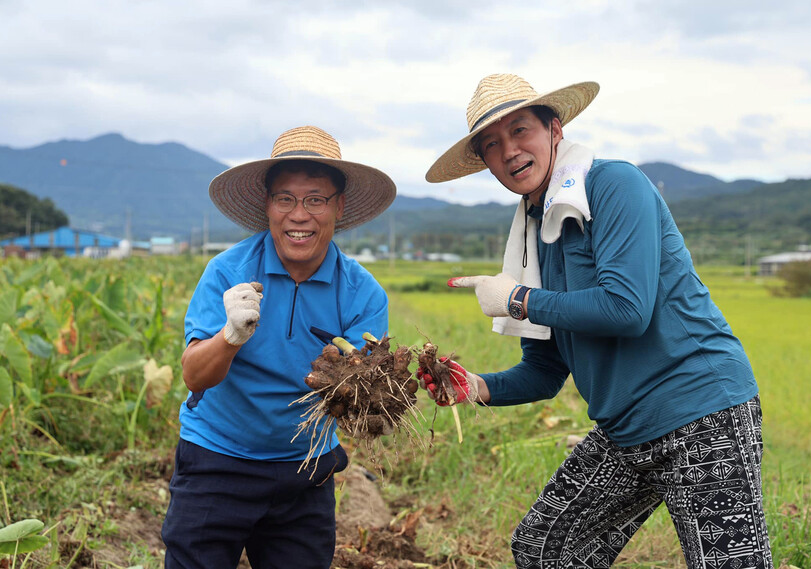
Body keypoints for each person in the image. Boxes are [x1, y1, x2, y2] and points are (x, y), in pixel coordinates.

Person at [419, 74, 773, 569]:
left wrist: (519, 298)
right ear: (486, 163)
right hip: (626, 428)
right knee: (545, 547)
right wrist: (475, 386)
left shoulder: (612, 184)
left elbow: (626, 309)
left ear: (554, 129)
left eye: (521, 131)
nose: (511, 151)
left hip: (700, 411)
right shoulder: (533, 235)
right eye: (493, 145)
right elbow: (544, 371)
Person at [162, 126, 397, 569]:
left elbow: (365, 393)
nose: (299, 214)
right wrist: (230, 337)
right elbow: (194, 376)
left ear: (338, 207)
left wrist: (378, 390)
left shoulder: (361, 293)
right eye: (285, 198)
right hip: (218, 458)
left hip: (306, 468)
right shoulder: (227, 271)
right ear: (267, 206)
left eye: (315, 199)